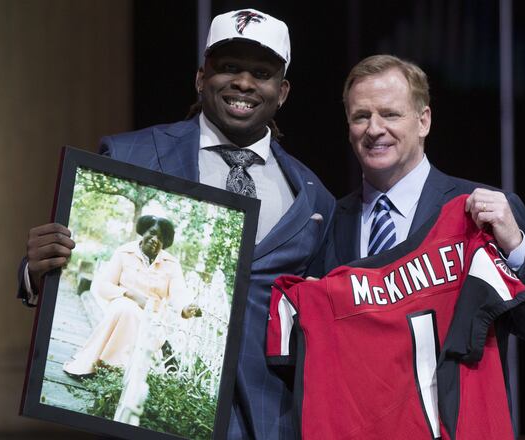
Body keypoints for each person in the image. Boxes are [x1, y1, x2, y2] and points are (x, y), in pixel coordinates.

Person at [18, 8, 335, 439]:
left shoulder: (314, 198)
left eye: (261, 73)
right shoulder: (130, 155)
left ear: (282, 91)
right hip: (155, 417)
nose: (243, 83)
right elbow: (73, 275)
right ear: (201, 78)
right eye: (228, 68)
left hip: (267, 420)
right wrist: (36, 271)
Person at [312, 54, 525, 423]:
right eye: (361, 116)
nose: (374, 129)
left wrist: (515, 248)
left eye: (390, 114)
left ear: (424, 120)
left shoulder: (481, 215)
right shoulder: (330, 222)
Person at [63, 215, 199, 376]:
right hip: (121, 304)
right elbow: (104, 286)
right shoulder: (124, 252)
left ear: (164, 244)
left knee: (135, 316)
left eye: (161, 238)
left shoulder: (172, 264)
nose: (155, 239)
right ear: (144, 231)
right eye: (152, 233)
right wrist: (129, 294)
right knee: (126, 310)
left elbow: (179, 292)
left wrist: (185, 307)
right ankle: (110, 368)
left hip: (152, 316)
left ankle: (111, 370)